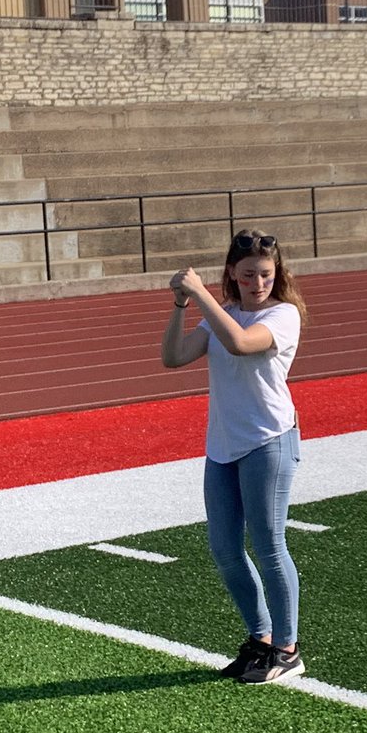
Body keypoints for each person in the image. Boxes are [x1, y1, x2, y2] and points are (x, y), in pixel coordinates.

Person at [161, 229, 308, 684]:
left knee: (269, 546)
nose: (258, 283)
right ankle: (260, 640)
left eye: (265, 274)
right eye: (248, 275)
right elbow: (173, 356)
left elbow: (241, 343)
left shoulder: (284, 314)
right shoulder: (222, 313)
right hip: (223, 446)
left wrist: (201, 294)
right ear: (232, 273)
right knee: (225, 550)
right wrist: (181, 305)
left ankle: (287, 649)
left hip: (269, 440)